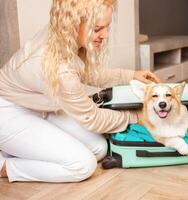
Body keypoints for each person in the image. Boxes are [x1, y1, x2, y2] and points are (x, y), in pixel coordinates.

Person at [0, 0, 160, 183]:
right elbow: (93, 118)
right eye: (98, 28)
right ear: (73, 24)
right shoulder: (57, 68)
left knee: (99, 148)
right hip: (7, 113)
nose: (105, 35)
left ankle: (17, 147)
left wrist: (130, 75)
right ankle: (6, 166)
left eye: (107, 27)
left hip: (38, 105)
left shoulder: (62, 36)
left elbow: (82, 72)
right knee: (83, 165)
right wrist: (137, 117)